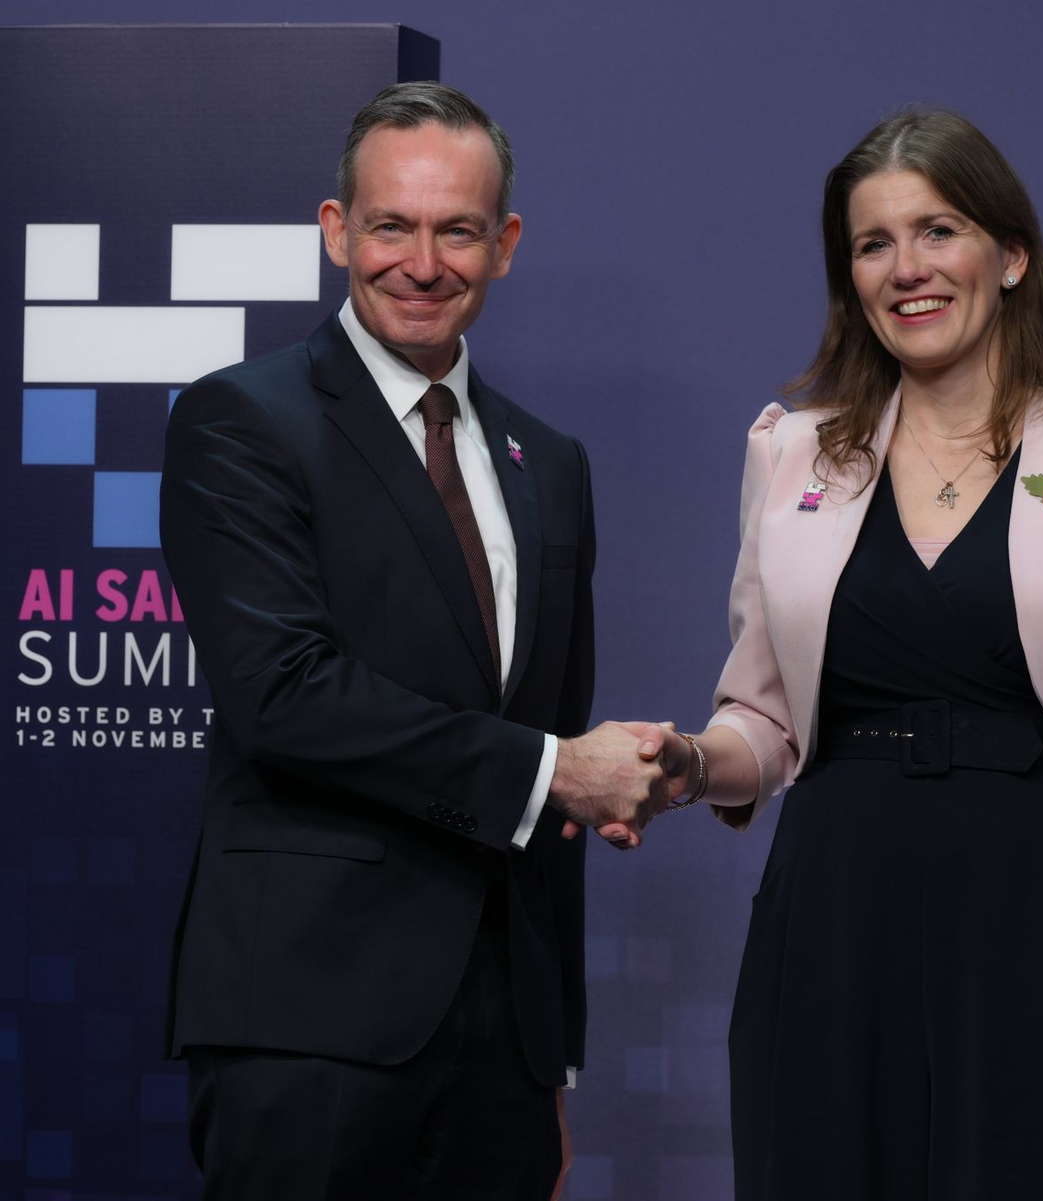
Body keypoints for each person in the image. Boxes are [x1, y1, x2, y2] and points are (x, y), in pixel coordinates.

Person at [623, 109, 1043, 1197]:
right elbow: (765, 720)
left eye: (938, 231)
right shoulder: (790, 450)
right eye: (872, 243)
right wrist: (689, 764)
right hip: (838, 911)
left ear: (1011, 254)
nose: (907, 269)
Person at [160, 81, 667, 1201]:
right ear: (338, 228)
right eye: (391, 224)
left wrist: (553, 1063)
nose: (423, 262)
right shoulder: (240, 420)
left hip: (501, 1055)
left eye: (459, 231)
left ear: (506, 245)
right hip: (306, 1026)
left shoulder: (554, 464)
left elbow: (553, 794)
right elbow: (283, 695)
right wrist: (553, 770)